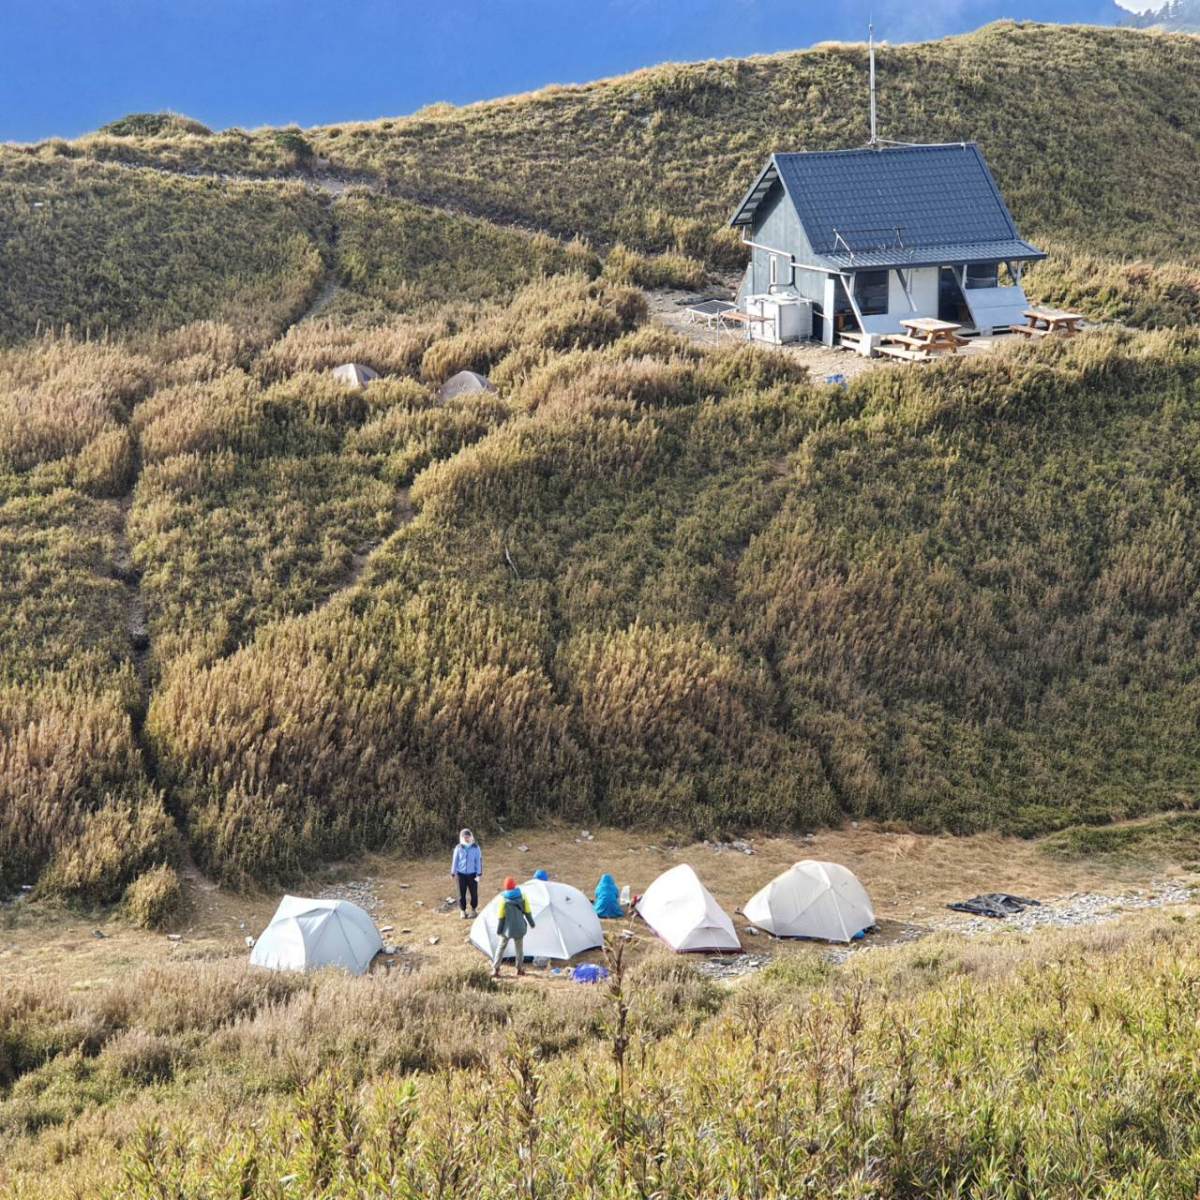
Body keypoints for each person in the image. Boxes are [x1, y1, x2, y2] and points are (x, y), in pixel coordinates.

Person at [493, 876, 536, 978]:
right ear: (515, 886)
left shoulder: (503, 899)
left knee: (501, 947)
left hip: (507, 930)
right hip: (519, 928)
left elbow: (501, 917)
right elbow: (528, 912)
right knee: (519, 949)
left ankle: (495, 969)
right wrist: (532, 923)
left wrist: (499, 930)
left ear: (505, 887)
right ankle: (519, 970)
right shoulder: (523, 896)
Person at [449, 828, 482, 919]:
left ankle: (474, 910)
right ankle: (462, 911)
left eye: (468, 837)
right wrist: (453, 872)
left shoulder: (476, 848)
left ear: (471, 837)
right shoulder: (458, 848)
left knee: (474, 893)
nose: (467, 839)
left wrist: (479, 873)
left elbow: (478, 861)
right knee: (461, 894)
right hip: (461, 875)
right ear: (462, 838)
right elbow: (455, 861)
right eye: (465, 837)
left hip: (473, 875)